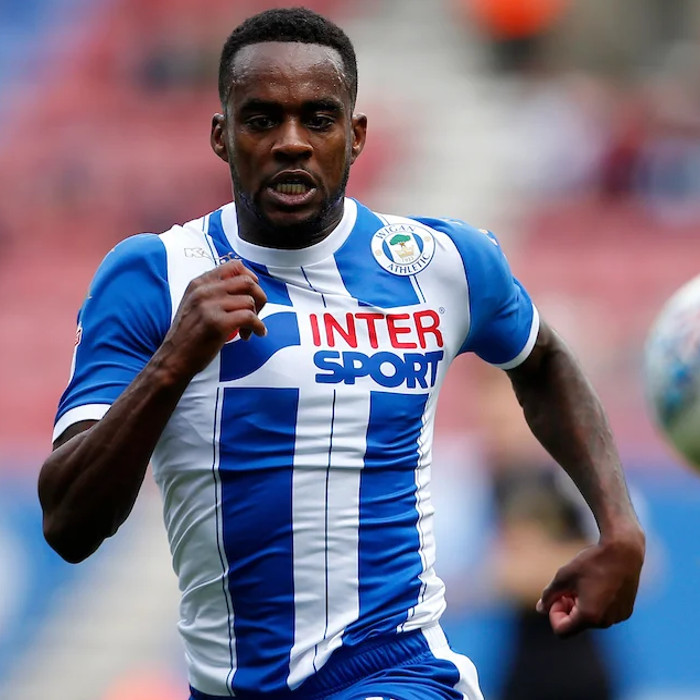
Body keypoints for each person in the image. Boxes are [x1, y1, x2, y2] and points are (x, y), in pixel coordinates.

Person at [38, 7, 645, 700]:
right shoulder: (154, 276)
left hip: (399, 672)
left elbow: (541, 360)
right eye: (262, 119)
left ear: (355, 136)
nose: (292, 143)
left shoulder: (442, 263)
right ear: (220, 135)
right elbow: (69, 524)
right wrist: (174, 360)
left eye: (319, 119)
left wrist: (618, 525)